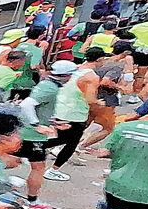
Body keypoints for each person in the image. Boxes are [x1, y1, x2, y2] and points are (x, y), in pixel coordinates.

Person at [17, 61, 77, 209]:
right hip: (32, 135)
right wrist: (36, 125)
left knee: (7, 160)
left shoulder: (49, 85)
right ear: (65, 76)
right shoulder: (50, 88)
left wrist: (55, 123)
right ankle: (32, 201)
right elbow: (26, 105)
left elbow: (42, 108)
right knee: (38, 168)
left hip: (27, 132)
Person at [44, 47, 105, 181]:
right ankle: (53, 169)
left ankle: (33, 149)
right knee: (69, 142)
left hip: (60, 107)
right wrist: (99, 103)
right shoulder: (92, 77)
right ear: (100, 59)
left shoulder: (74, 69)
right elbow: (89, 99)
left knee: (62, 138)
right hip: (75, 112)